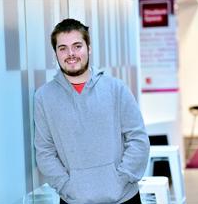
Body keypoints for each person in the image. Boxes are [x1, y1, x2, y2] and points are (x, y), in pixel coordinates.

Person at [34, 18, 150, 204]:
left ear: (89, 48)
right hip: (73, 199)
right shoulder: (44, 97)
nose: (70, 54)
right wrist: (66, 186)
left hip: (123, 198)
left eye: (77, 46)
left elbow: (138, 140)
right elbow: (45, 151)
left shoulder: (116, 88)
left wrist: (121, 178)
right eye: (62, 48)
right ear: (55, 53)